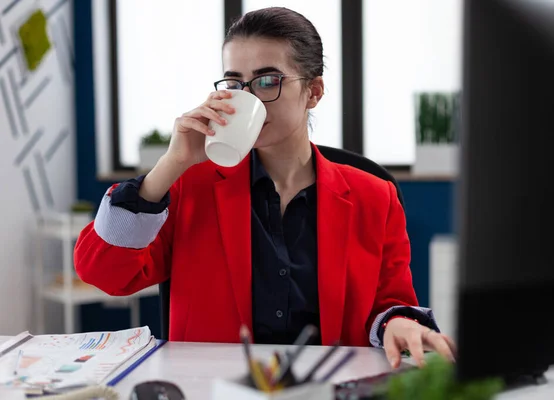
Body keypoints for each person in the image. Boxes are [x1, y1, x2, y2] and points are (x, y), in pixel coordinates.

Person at [74, 7, 455, 369]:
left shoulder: (375, 196)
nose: (248, 98)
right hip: (214, 387)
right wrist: (171, 165)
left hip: (329, 384)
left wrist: (398, 324)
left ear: (314, 92)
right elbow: (103, 273)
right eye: (235, 84)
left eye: (268, 80)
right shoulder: (191, 185)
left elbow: (392, 304)